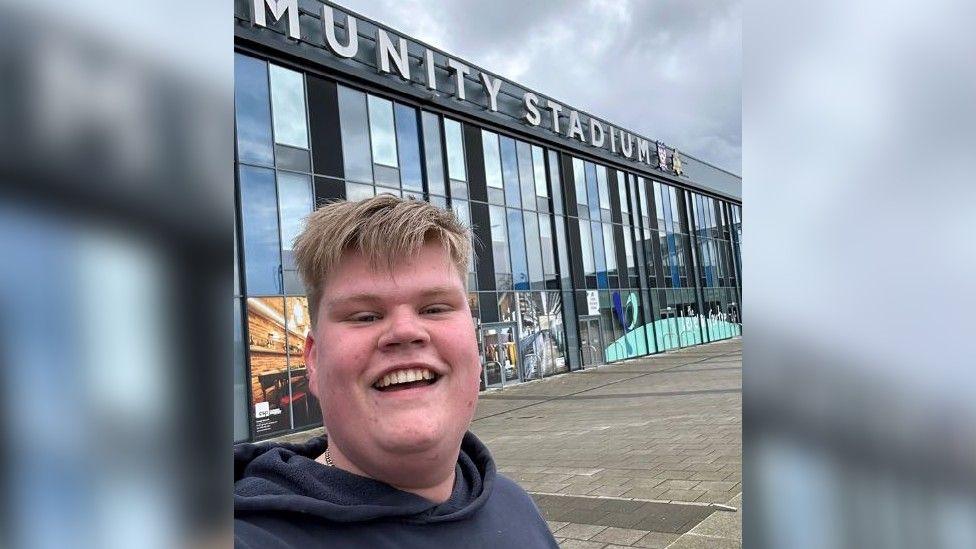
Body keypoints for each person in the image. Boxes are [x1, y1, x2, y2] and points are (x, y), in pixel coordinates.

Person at [234, 195, 557, 548]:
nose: (405, 331)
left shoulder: (517, 507)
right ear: (313, 360)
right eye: (365, 316)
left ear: (475, 344)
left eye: (434, 309)